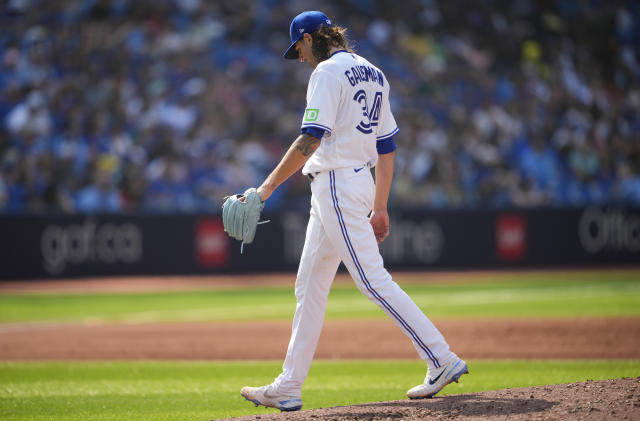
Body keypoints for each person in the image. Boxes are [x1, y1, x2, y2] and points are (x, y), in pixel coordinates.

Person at [240, 11, 467, 412]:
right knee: (309, 285)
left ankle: (441, 358)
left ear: (309, 39)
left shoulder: (327, 73)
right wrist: (379, 205)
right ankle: (289, 385)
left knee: (371, 278)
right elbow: (387, 147)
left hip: (335, 182)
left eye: (300, 49)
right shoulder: (375, 73)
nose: (301, 58)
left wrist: (265, 188)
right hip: (354, 182)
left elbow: (311, 137)